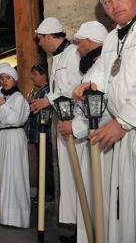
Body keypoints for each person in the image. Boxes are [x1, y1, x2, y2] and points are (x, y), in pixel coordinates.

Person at [73, 0, 136, 243]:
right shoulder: (112, 38)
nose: (114, 5)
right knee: (126, 205)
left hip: (127, 125)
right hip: (124, 133)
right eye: (108, 2)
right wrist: (89, 85)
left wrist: (123, 121)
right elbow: (103, 71)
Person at [31, 17, 82, 243]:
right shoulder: (57, 57)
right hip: (62, 124)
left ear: (50, 37)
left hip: (75, 125)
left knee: (79, 175)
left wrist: (47, 100)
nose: (40, 44)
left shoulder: (73, 54)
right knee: (68, 177)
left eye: (41, 39)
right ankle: (75, 226)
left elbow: (74, 85)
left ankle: (85, 227)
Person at [68, 21, 109, 243]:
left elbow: (98, 106)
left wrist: (73, 127)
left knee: (97, 196)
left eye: (80, 42)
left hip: (100, 141)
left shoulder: (99, 67)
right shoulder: (95, 66)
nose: (78, 48)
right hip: (92, 138)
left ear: (91, 42)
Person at [0, 63, 30, 228]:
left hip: (14, 138)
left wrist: (2, 105)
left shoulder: (18, 98)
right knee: (2, 174)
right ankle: (1, 213)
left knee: (14, 174)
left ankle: (16, 217)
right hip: (3, 138)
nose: (4, 81)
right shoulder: (3, 97)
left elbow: (15, 119)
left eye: (7, 78)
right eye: (1, 78)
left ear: (14, 80)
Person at [26, 64, 55, 203]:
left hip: (45, 133)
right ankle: (43, 193)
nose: (33, 77)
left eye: (35, 74)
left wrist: (33, 103)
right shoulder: (38, 91)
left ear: (44, 75)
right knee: (41, 163)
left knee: (47, 164)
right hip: (38, 134)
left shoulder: (47, 91)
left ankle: (48, 194)